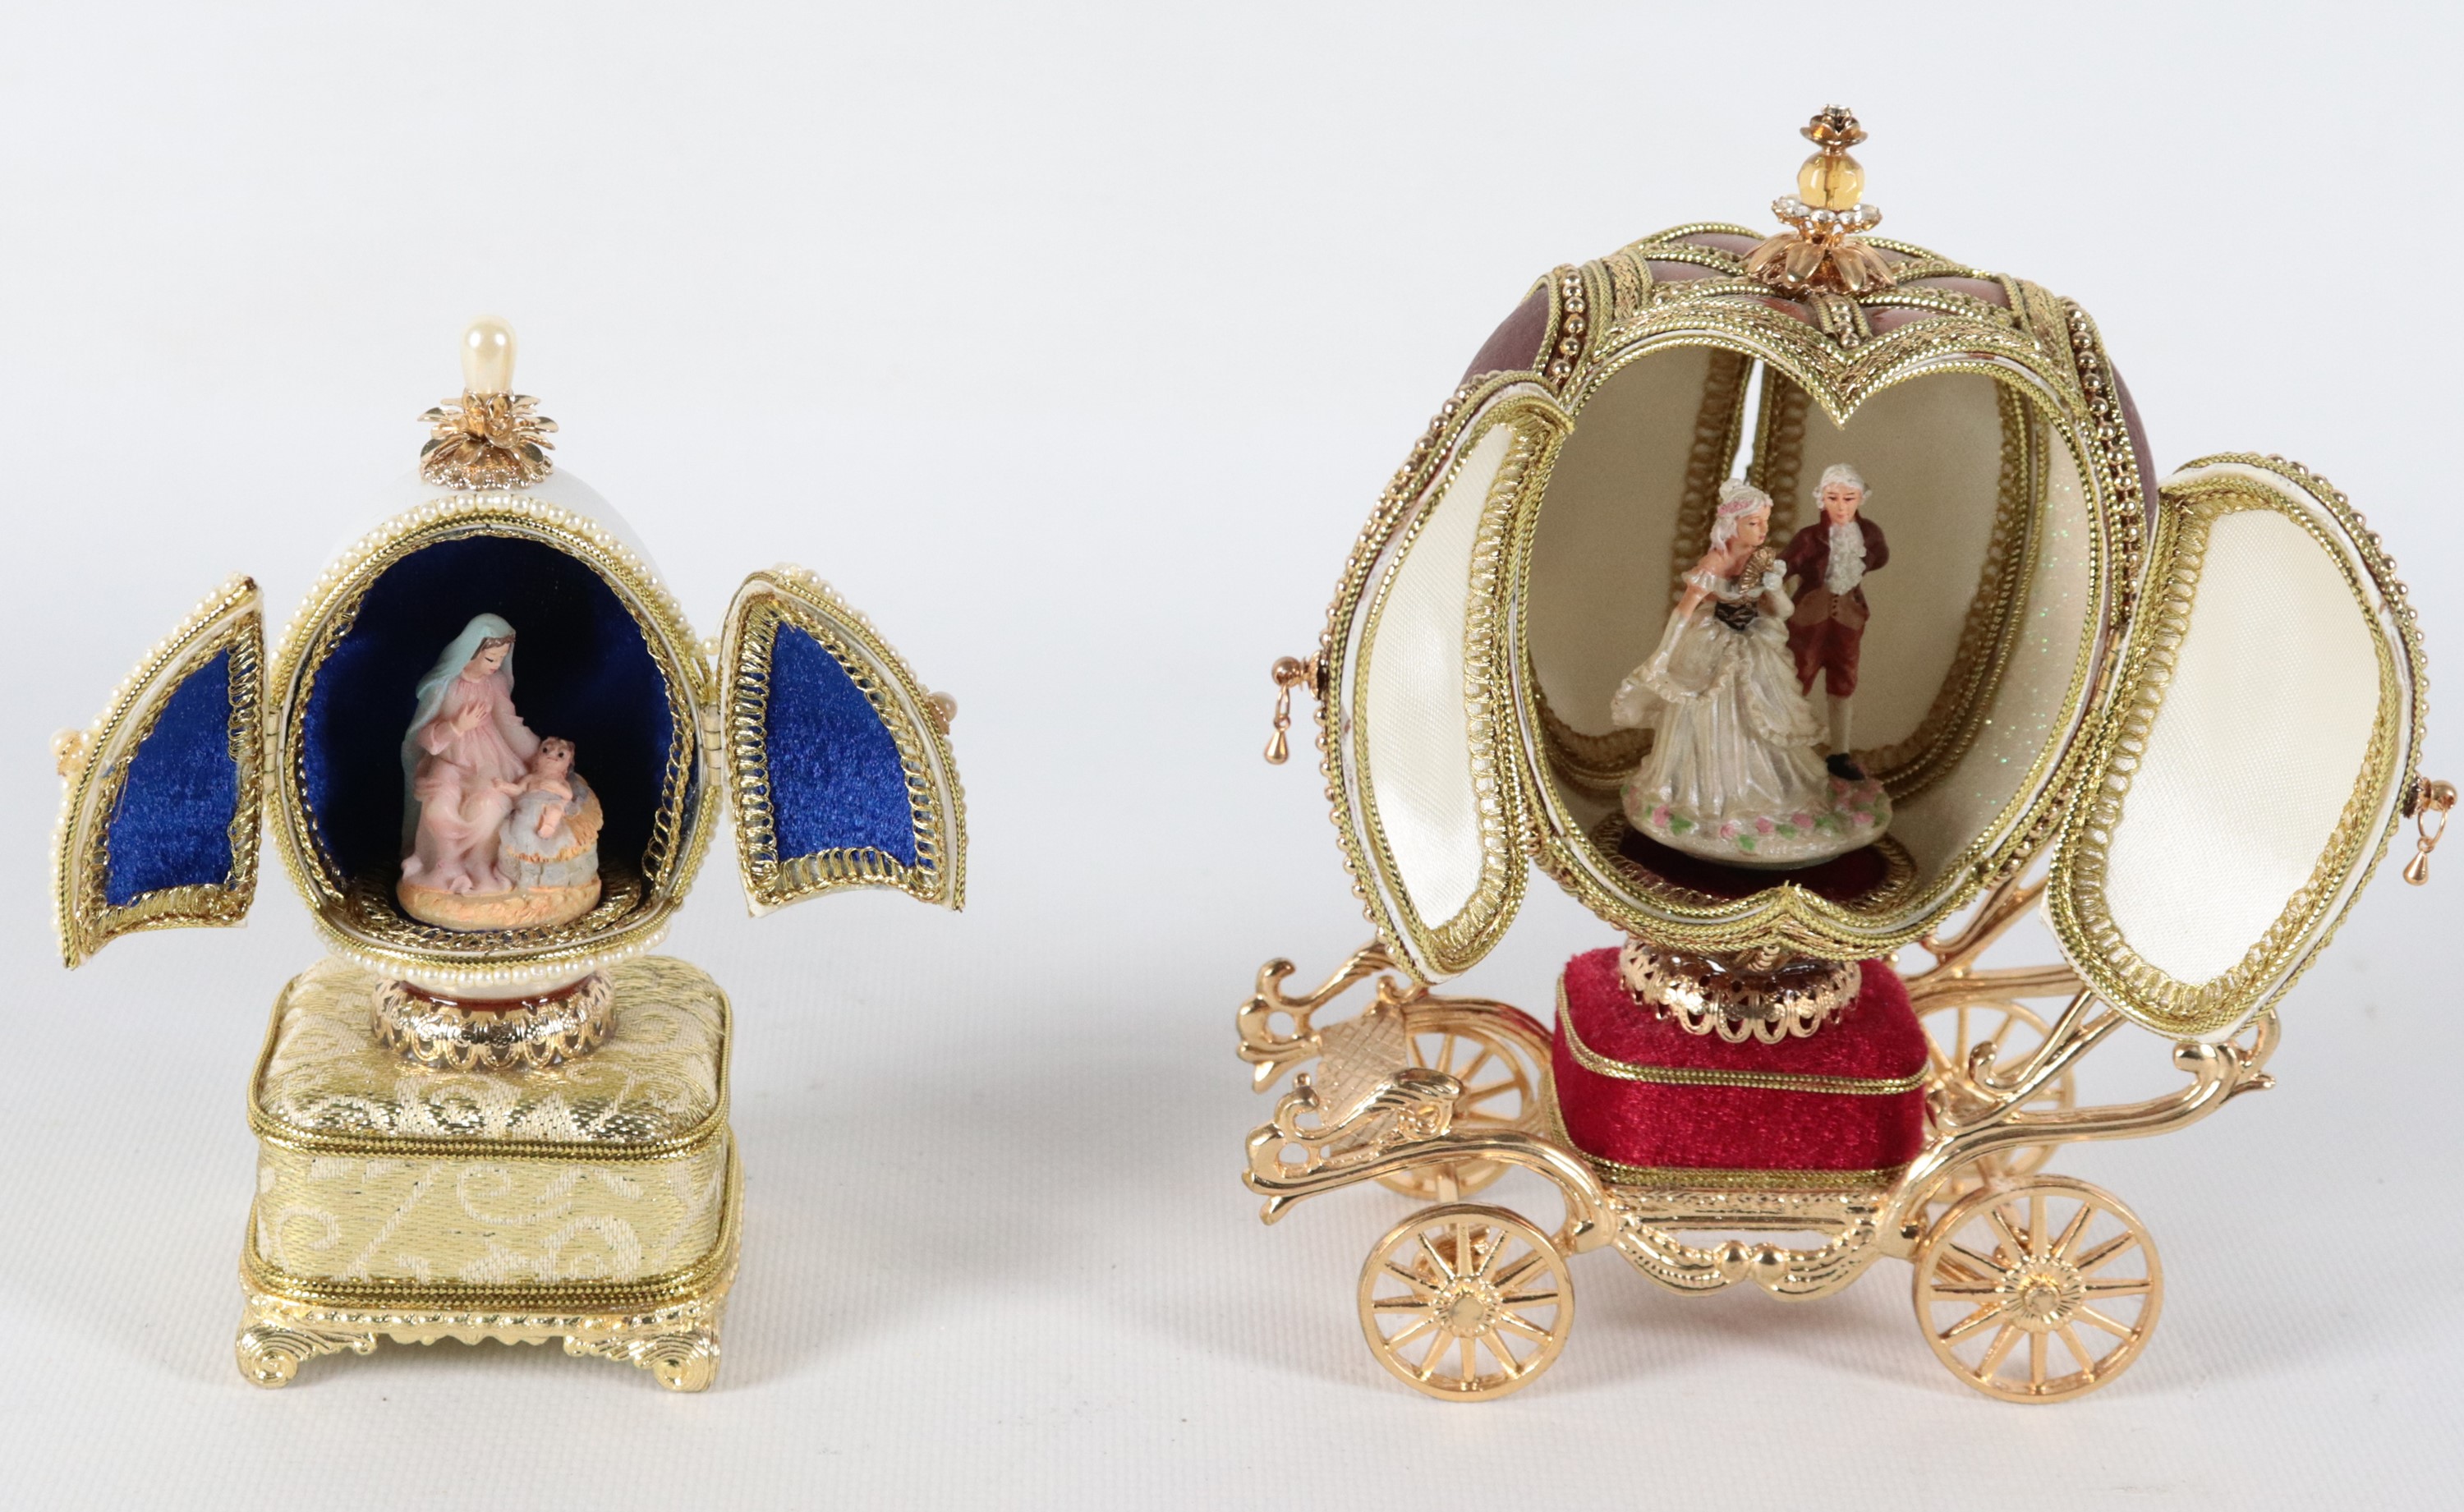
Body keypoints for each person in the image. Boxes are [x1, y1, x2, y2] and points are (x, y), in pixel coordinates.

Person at [1610, 480, 1886, 865]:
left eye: (1765, 522)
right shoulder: (1715, 563)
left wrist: (1775, 589)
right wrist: (1663, 654)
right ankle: (1712, 793)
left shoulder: (1765, 561)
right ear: (1733, 525)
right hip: (1712, 643)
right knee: (1709, 713)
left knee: (1764, 708)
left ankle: (1766, 790)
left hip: (1753, 641)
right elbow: (1683, 612)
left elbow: (1784, 612)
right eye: (1754, 523)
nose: (1763, 530)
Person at [398, 614, 540, 895]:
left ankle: (479, 864)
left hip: (489, 760)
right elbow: (422, 735)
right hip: (449, 760)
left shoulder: (495, 683)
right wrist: (455, 727)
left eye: (501, 658)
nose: (496, 665)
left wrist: (537, 754)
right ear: (471, 651)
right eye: (491, 658)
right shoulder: (444, 686)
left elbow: (509, 723)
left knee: (490, 805)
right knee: (438, 807)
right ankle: (444, 865)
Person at [1779, 462, 1889, 781]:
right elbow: (1782, 568)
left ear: (1861, 499)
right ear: (1821, 499)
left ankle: (1840, 752)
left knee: (1844, 679)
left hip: (1848, 620)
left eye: (1848, 499)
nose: (1841, 507)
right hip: (1808, 621)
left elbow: (1880, 557)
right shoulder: (1809, 538)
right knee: (1798, 677)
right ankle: (1788, 747)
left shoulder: (1869, 535)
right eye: (1833, 498)